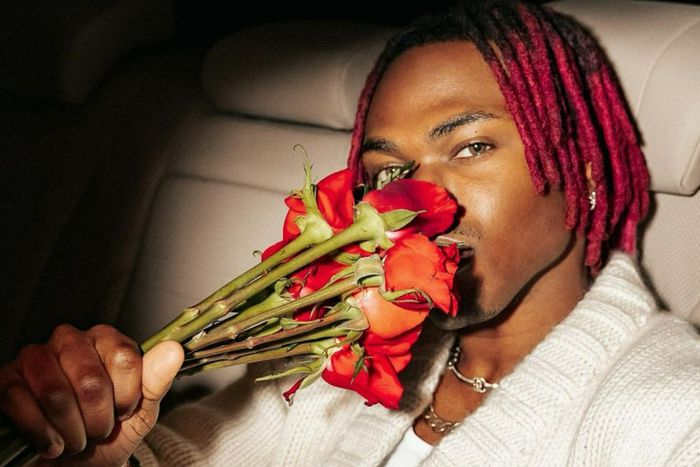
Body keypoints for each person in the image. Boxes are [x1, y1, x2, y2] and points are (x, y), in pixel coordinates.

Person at [1, 1, 699, 465]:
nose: (418, 201)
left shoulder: (675, 417)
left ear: (584, 176)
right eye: (388, 170)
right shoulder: (345, 351)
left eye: (470, 147)